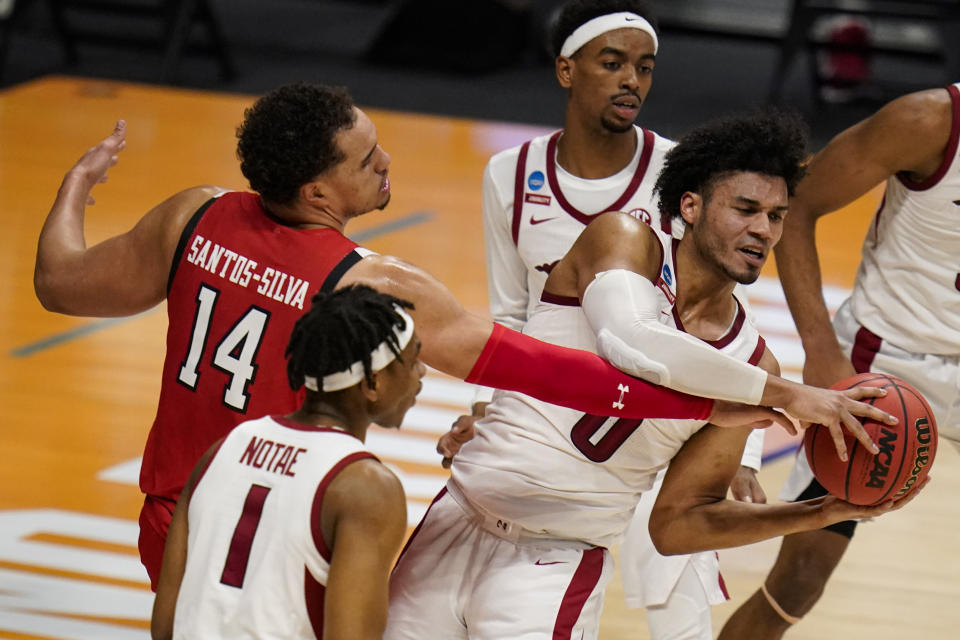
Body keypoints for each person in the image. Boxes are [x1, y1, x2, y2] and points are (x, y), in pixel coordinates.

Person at [33, 83, 787, 588]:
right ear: (317, 192)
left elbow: (60, 283)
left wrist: (73, 189)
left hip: (173, 513)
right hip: (278, 526)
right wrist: (706, 405)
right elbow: (540, 370)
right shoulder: (371, 284)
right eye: (366, 160)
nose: (386, 161)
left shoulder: (190, 215)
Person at [386, 110, 917, 640]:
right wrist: (792, 395)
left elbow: (678, 524)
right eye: (746, 209)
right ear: (690, 204)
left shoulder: (751, 362)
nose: (763, 229)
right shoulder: (623, 239)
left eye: (776, 216)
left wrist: (819, 511)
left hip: (552, 565)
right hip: (454, 516)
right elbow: (633, 342)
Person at [436, 2, 764, 636]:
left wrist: (742, 447)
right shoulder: (509, 173)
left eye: (643, 68)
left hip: (661, 423)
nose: (631, 82)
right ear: (566, 70)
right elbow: (512, 313)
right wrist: (491, 409)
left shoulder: (681, 174)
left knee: (680, 605)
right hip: (558, 430)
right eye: (612, 64)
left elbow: (725, 309)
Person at [718, 82, 960, 639]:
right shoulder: (927, 121)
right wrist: (822, 350)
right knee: (799, 580)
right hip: (886, 364)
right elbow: (797, 207)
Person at [150, 284, 421, 640]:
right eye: (414, 360)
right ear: (372, 382)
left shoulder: (221, 450)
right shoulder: (366, 487)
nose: (422, 373)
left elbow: (166, 625)